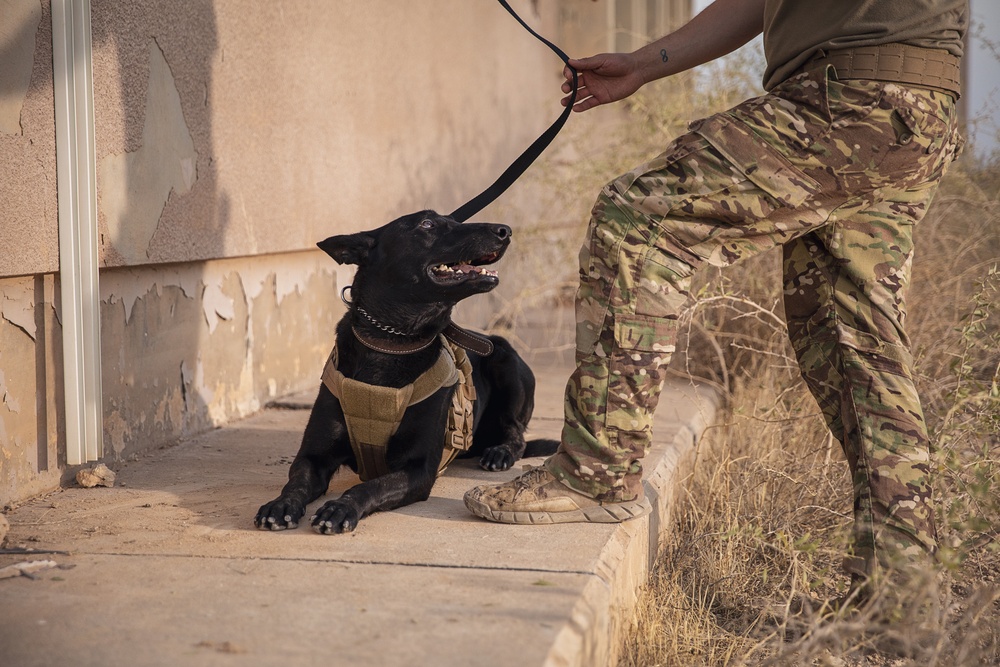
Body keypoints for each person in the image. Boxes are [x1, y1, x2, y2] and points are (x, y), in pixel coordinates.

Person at [464, 0, 968, 595]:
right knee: (851, 341)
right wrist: (643, 64)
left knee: (639, 220)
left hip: (853, 100)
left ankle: (596, 474)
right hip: (907, 107)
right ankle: (898, 600)